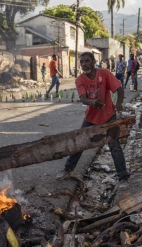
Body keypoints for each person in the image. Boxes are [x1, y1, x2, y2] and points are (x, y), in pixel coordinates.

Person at [56, 52, 130, 188]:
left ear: (94, 61)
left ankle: (123, 176)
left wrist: (119, 103)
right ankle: (68, 169)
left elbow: (119, 89)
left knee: (114, 146)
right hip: (91, 117)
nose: (84, 64)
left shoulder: (104, 73)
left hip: (108, 115)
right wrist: (92, 102)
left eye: (87, 61)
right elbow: (83, 99)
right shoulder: (80, 80)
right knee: (79, 143)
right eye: (82, 62)